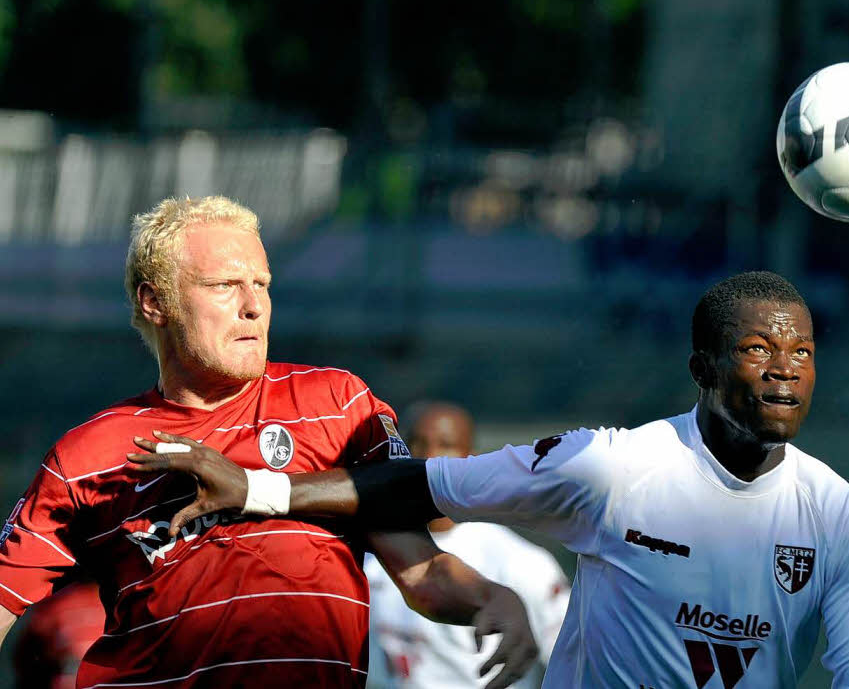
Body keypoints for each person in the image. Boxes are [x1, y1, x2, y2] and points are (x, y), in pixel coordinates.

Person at [124, 270, 849, 688]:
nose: (784, 372)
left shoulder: (843, 520)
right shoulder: (613, 467)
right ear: (702, 368)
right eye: (758, 351)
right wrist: (260, 489)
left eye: (803, 354)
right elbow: (426, 488)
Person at [0, 196, 537, 688]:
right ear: (154, 302)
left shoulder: (338, 405)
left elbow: (420, 570)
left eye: (262, 284)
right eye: (224, 285)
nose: (253, 306)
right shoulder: (89, 453)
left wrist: (492, 597)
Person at [364, 401, 570, 688]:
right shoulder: (373, 554)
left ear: (470, 459)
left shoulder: (520, 562)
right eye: (416, 443)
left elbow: (576, 661)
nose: (429, 456)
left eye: (446, 445)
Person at [12, 581, 104, 689]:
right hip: (68, 675)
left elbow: (23, 656)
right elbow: (25, 653)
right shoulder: (54, 605)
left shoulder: (53, 603)